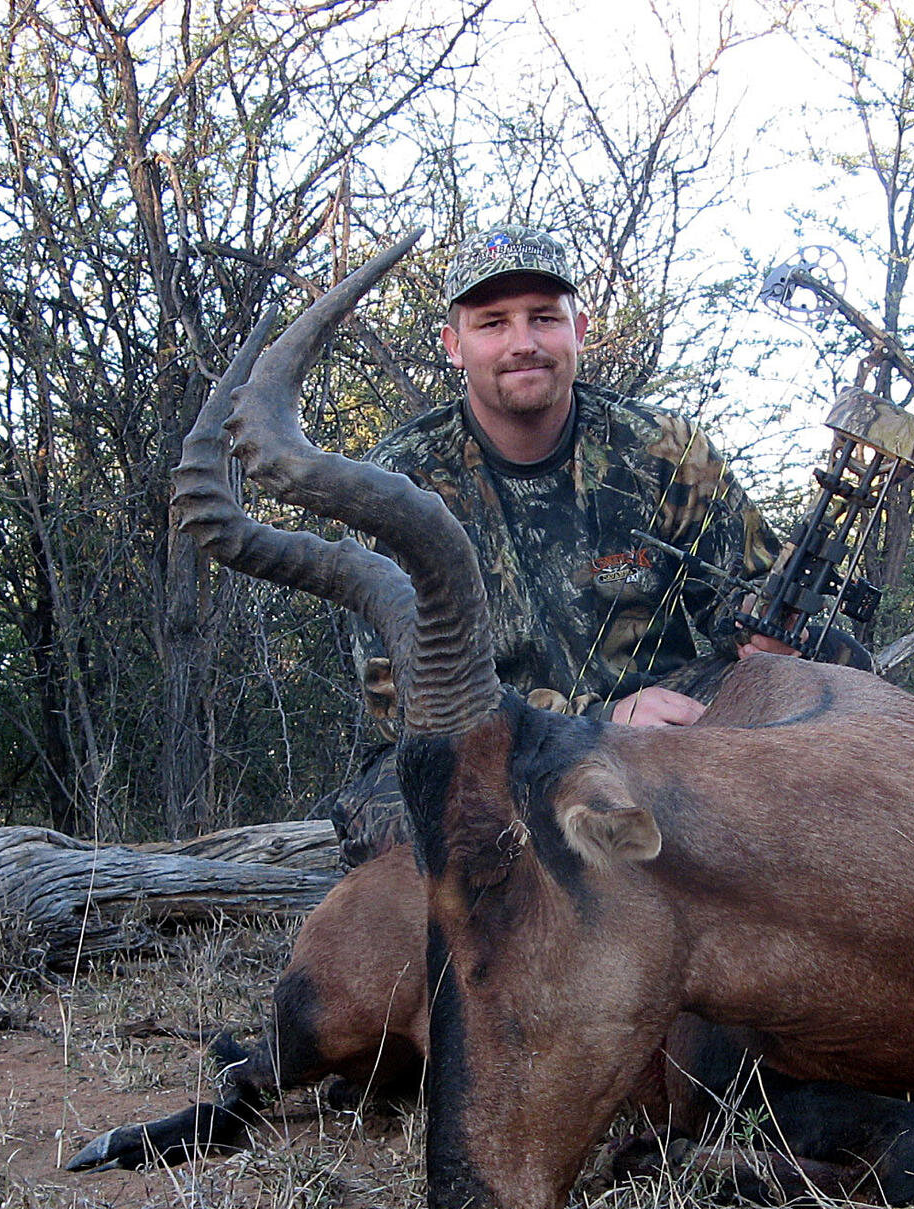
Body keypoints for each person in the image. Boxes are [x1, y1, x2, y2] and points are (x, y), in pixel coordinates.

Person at [325, 224, 860, 866]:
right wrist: (600, 721)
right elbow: (401, 697)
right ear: (454, 345)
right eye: (493, 323)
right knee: (410, 817)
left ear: (579, 331)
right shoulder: (398, 486)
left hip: (668, 724)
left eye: (544, 318)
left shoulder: (664, 447)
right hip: (492, 746)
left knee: (835, 668)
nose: (523, 343)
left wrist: (766, 641)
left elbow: (744, 597)